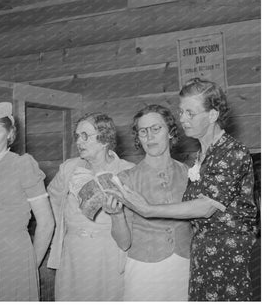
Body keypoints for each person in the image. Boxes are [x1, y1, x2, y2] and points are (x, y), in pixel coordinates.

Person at [118, 78, 258, 301]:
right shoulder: (201, 157)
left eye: (190, 113)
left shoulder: (231, 151)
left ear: (212, 115)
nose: (182, 119)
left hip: (229, 258)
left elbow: (205, 207)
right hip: (202, 259)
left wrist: (148, 209)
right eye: (181, 112)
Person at [103, 104, 193, 301]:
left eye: (156, 129)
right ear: (138, 138)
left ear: (170, 132)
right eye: (143, 131)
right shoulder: (125, 179)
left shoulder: (189, 173)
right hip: (144, 270)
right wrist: (116, 215)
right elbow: (124, 243)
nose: (149, 136)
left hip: (184, 267)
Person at [0, 102, 54, 301]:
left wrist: (30, 265)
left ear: (9, 134)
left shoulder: (22, 165)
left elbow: (47, 223)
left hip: (15, 258)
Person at [47, 112, 135, 301]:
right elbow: (52, 200)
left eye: (85, 136)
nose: (79, 141)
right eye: (77, 136)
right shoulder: (69, 168)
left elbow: (134, 222)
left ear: (104, 139)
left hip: (107, 255)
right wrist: (64, 228)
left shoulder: (128, 171)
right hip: (73, 254)